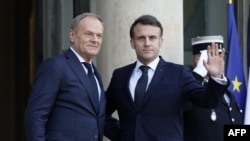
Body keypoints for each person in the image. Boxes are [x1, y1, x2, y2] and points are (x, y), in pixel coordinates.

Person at [104, 14, 229, 141]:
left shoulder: (179, 73)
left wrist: (216, 77)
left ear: (160, 42)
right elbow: (101, 112)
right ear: (132, 43)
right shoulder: (120, 76)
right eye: (141, 38)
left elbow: (208, 101)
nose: (147, 43)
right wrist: (122, 135)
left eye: (152, 38)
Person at [24, 13, 106, 141]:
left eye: (99, 35)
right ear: (72, 35)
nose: (95, 40)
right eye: (88, 34)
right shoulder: (55, 66)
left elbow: (97, 118)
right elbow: (36, 115)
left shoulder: (95, 74)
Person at [183, 35, 243, 141]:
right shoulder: (190, 89)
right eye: (213, 56)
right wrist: (197, 74)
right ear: (198, 59)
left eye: (221, 56)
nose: (219, 61)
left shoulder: (228, 94)